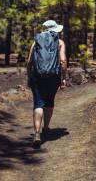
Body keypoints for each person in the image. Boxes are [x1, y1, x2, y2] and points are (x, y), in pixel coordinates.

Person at [26, 20, 67, 148]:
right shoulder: (60, 42)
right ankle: (46, 127)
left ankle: (37, 133)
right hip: (53, 77)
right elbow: (63, 61)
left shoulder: (36, 41)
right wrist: (63, 78)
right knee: (49, 101)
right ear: (55, 30)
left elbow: (29, 62)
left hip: (37, 76)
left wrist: (29, 76)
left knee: (38, 103)